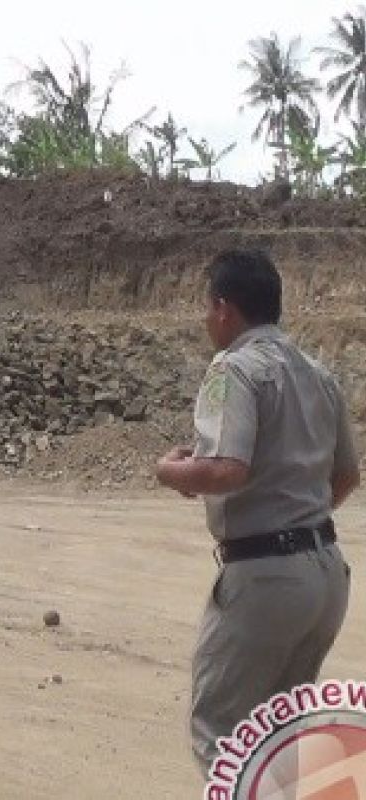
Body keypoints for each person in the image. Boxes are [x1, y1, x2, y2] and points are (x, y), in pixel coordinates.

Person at [156, 249, 359, 771]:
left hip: (266, 577)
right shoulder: (317, 373)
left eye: (207, 307)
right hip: (324, 570)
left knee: (222, 732)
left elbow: (226, 469)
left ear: (224, 309)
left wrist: (171, 471)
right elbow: (346, 476)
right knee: (278, 735)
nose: (205, 319)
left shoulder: (234, 370)